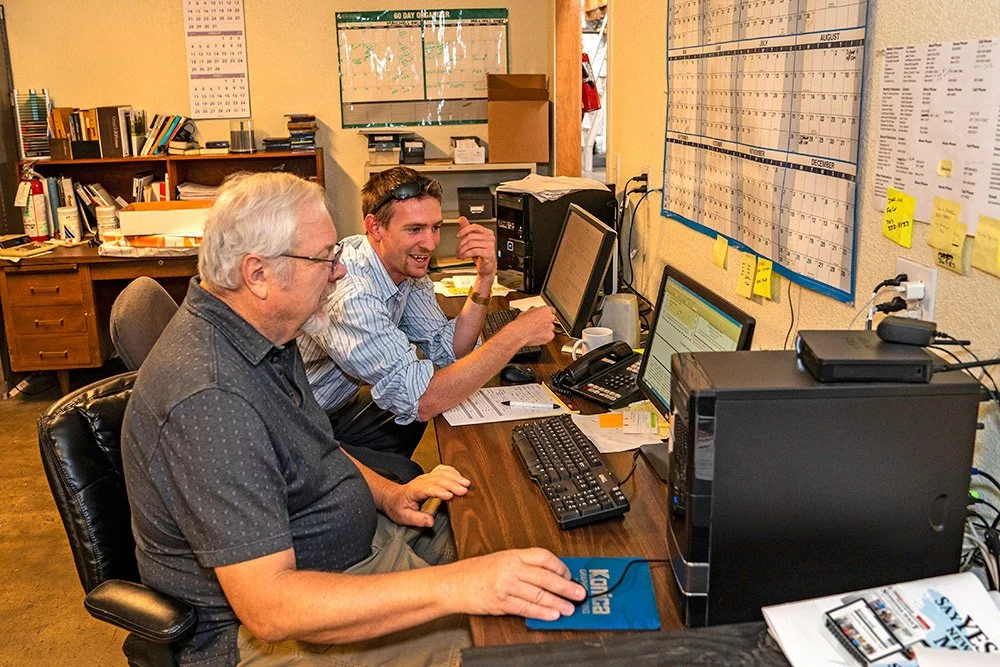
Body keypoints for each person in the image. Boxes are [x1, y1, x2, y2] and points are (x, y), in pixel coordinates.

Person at [121, 172, 585, 666]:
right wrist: (458, 587)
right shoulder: (210, 399)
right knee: (522, 648)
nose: (339, 271)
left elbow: (316, 444)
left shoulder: (266, 335)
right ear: (257, 274)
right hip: (268, 631)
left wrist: (387, 493)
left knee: (511, 544)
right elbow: (270, 609)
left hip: (349, 550)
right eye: (323, 259)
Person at [299, 167, 557, 481]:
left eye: (435, 227)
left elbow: (448, 349)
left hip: (337, 408)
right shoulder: (352, 295)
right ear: (375, 227)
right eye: (415, 229)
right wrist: (513, 337)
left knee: (421, 406)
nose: (430, 242)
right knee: (409, 469)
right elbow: (424, 399)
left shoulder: (404, 265)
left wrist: (485, 277)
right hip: (299, 432)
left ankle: (360, 480)